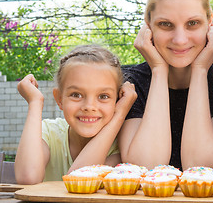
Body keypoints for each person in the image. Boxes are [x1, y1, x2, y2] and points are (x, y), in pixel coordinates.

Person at [118, 0, 213, 171]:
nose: (180, 39)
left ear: (209, 23)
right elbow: (144, 168)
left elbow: (203, 169)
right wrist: (158, 70)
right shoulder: (130, 81)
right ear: (148, 26)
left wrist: (200, 71)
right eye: (165, 25)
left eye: (193, 23)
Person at [15, 44, 137, 184]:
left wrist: (120, 115)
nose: (89, 107)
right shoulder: (48, 133)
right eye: (76, 95)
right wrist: (35, 102)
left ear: (118, 100)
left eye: (103, 96)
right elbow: (27, 177)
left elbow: (78, 180)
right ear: (59, 99)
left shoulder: (120, 147)